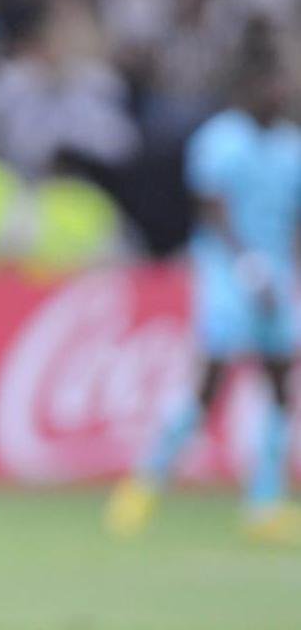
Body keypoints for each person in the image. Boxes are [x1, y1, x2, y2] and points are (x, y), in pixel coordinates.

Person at [105, 56, 301, 544]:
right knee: (209, 385)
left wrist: (283, 268)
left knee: (280, 384)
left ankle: (265, 504)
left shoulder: (292, 145)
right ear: (250, 86)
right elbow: (212, 205)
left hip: (275, 274)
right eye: (274, 80)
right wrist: (247, 263)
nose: (282, 90)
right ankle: (143, 485)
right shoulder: (222, 138)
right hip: (228, 273)